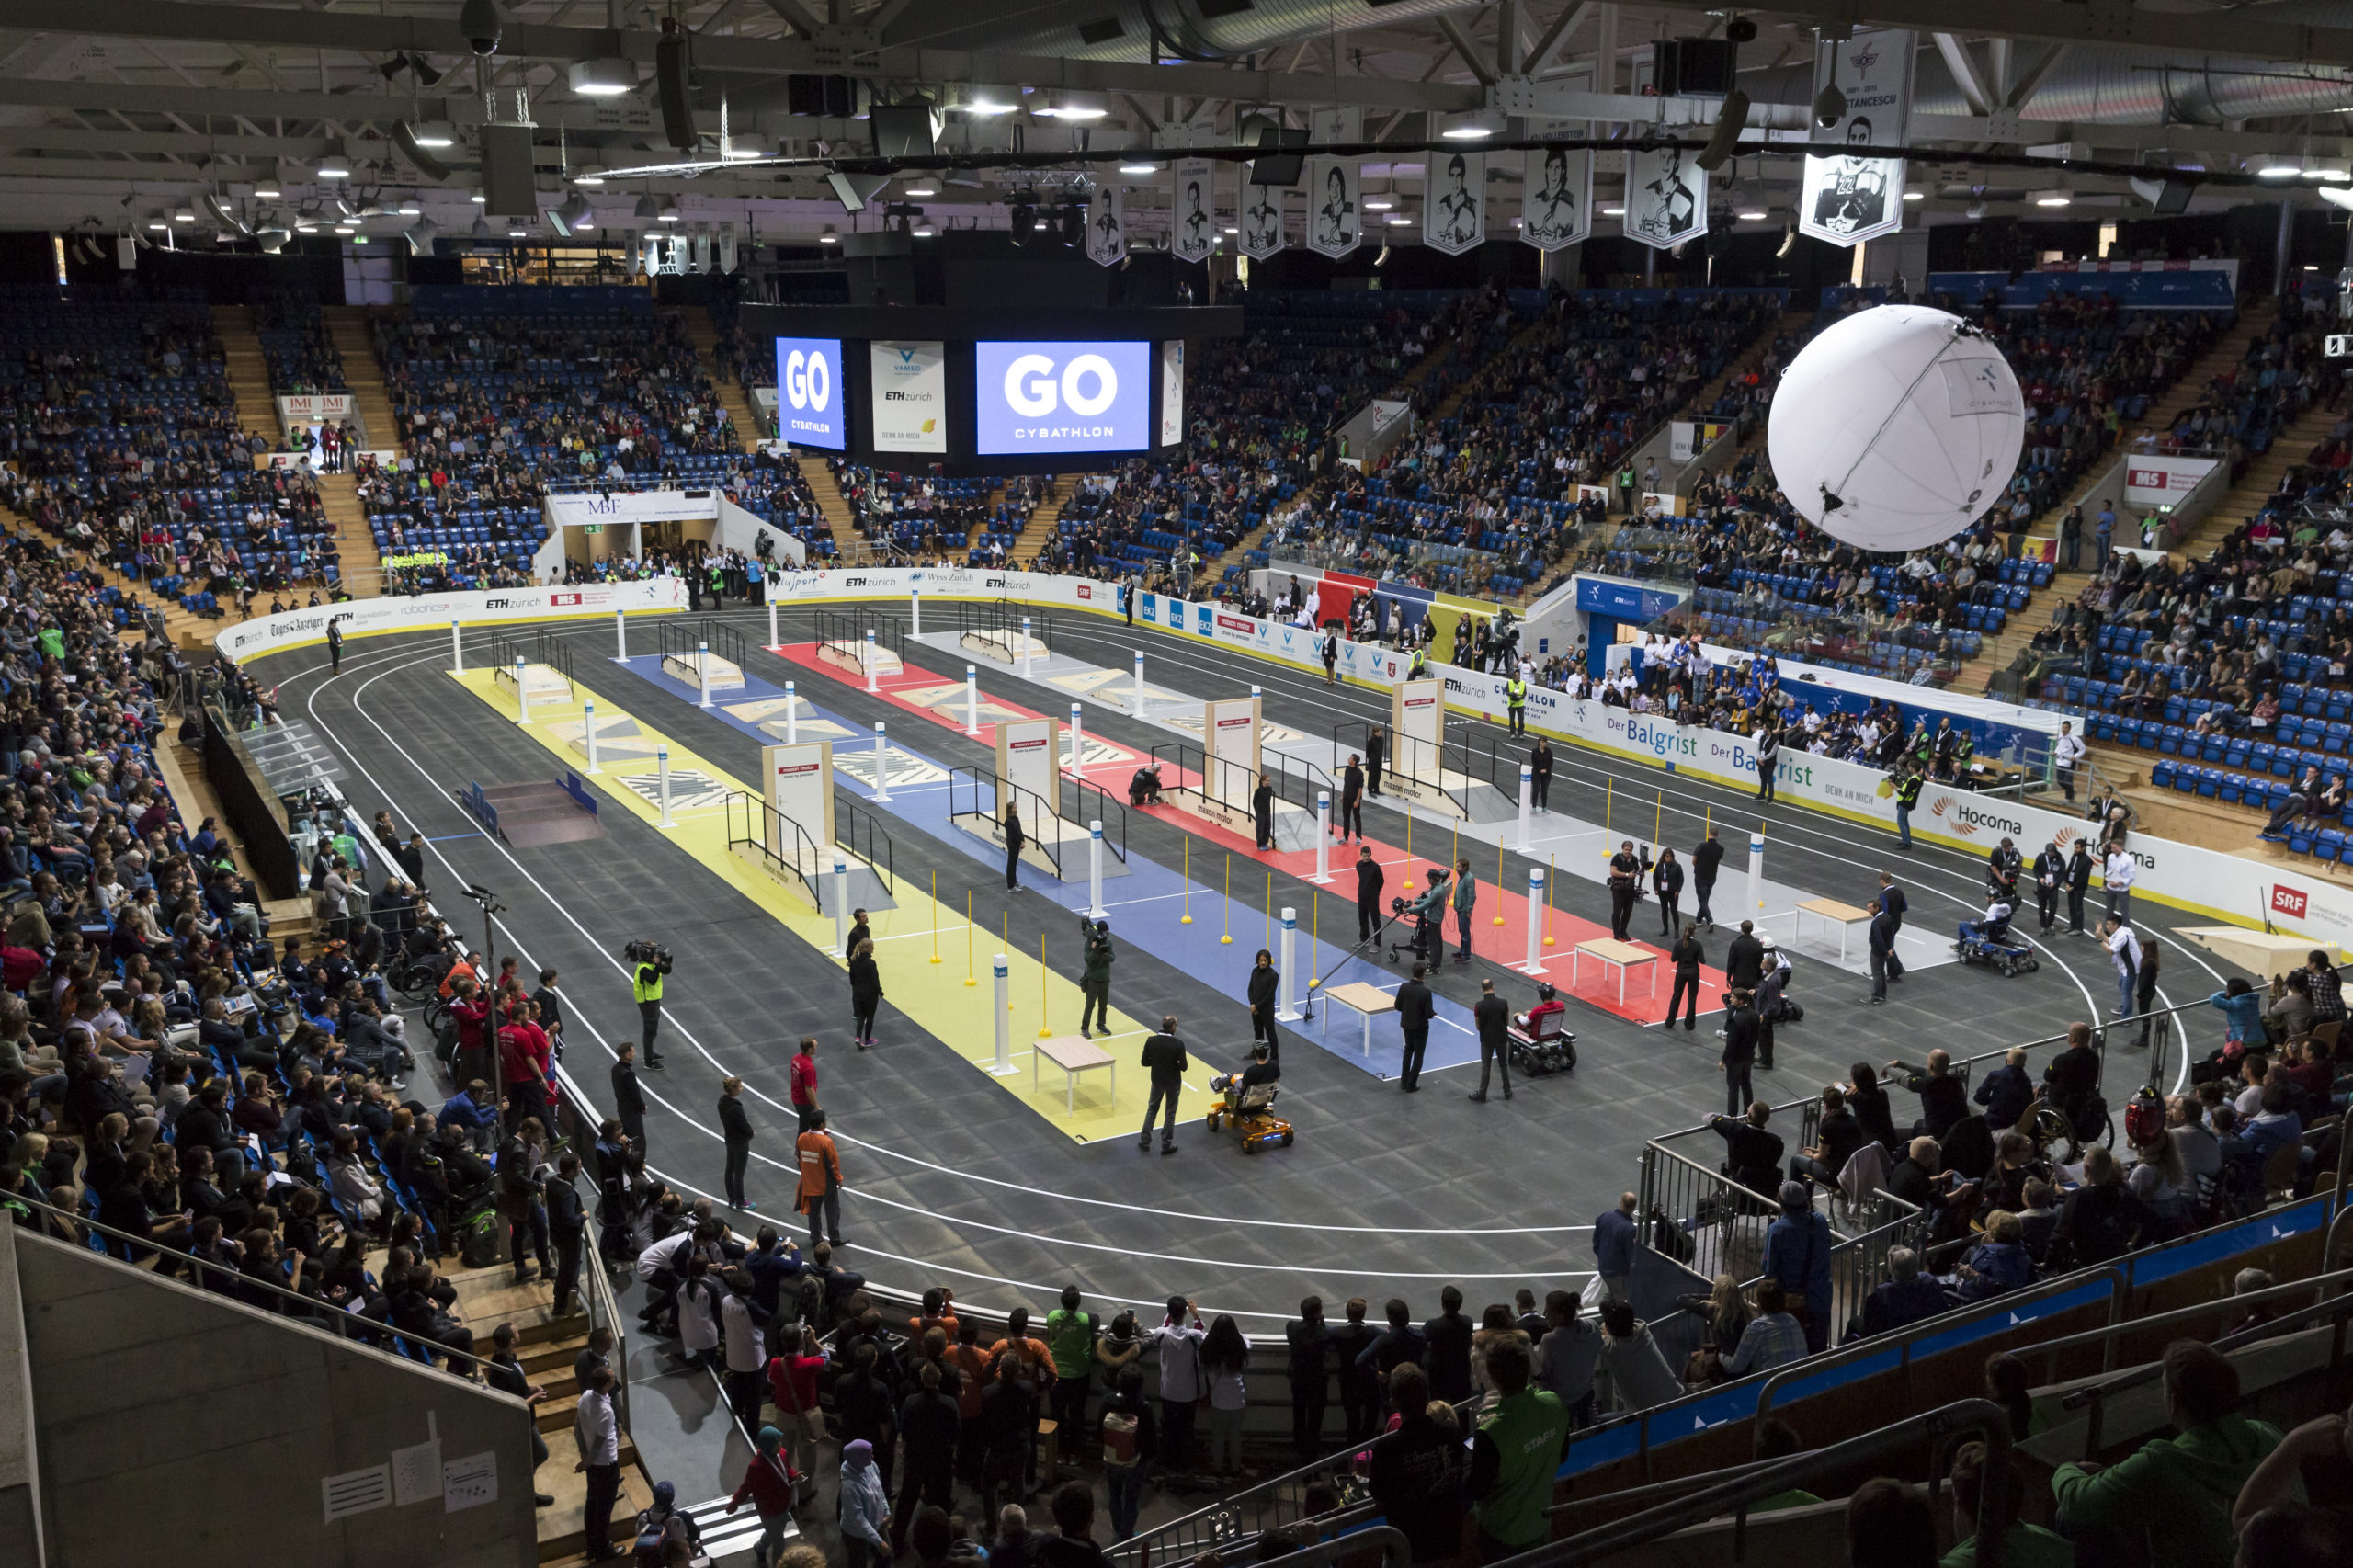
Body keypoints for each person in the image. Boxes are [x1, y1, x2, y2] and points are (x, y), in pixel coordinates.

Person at [2052, 1341, 2283, 1568]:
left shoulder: (2163, 1462)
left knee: (2068, 1516)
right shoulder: (2268, 1436)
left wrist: (2067, 1468)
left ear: (2174, 1402)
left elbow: (2077, 1501)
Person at [1369, 1362, 1465, 1564]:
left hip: (1406, 1547)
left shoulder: (1386, 1448)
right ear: (1428, 1396)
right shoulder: (1450, 1433)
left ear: (1393, 1403)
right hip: (1445, 1542)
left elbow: (1378, 1492)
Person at [1766, 1180, 1834, 1354]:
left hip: (1792, 1304)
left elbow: (1768, 1268)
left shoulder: (1777, 1230)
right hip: (1820, 1298)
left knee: (1793, 1353)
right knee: (1817, 1350)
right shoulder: (1819, 1221)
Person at [725, 1426, 804, 1568]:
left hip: (783, 1504)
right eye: (777, 1443)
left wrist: (793, 1475)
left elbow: (787, 1470)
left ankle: (760, 1547)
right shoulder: (756, 1467)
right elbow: (746, 1487)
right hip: (768, 1511)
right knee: (779, 1544)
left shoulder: (782, 1453)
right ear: (768, 1445)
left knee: (775, 1533)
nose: (780, 1445)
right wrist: (735, 1502)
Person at [1596, 1301, 1682, 1413]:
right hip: (1677, 1398)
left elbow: (1594, 1334)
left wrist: (1604, 1328)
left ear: (1610, 1329)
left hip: (1650, 1414)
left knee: (1602, 1420)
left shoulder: (1613, 1348)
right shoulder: (1643, 1331)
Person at [575, 1365, 622, 1561]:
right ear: (606, 1385)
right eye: (612, 1379)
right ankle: (603, 1549)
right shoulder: (606, 1411)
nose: (614, 1380)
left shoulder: (585, 1397)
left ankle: (591, 1547)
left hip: (593, 1464)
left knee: (592, 1502)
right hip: (605, 1464)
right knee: (604, 1508)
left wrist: (584, 1456)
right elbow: (599, 1445)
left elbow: (577, 1429)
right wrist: (587, 1462)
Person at [1859, 1246, 1951, 1338]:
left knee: (1854, 1322)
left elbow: (1869, 1325)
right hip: (1931, 1334)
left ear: (1893, 1270)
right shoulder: (1929, 1280)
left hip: (1895, 1341)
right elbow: (1943, 1308)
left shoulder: (1883, 1292)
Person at [1725, 1278, 1807, 1377]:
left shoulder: (1756, 1327)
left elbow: (1736, 1366)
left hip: (1772, 1389)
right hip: (1800, 1384)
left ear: (1760, 1304)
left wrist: (1719, 1356)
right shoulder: (1793, 1320)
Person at [1284, 1296, 1331, 1458]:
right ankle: (1312, 1453)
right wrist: (1321, 1323)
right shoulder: (1322, 1334)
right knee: (1315, 1421)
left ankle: (1300, 1449)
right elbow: (1323, 1337)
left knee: (1299, 1415)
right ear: (1318, 1314)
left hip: (1298, 1379)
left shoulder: (1292, 1328)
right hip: (1317, 1381)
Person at [1711, 1101, 1785, 1198]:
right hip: (1764, 1188)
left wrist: (1728, 1119)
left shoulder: (1736, 1130)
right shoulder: (1777, 1143)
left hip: (1738, 1187)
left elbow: (1708, 1117)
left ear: (1748, 1115)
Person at [839, 1438, 892, 1568]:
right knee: (858, 1563)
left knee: (887, 1557)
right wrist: (878, 1542)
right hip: (856, 1534)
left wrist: (885, 1513)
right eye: (869, 1455)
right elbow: (859, 1520)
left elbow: (879, 1491)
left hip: (876, 1522)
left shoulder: (872, 1466)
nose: (873, 1457)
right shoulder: (849, 1487)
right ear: (859, 1459)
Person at [795, 1109, 843, 1249]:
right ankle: (834, 1238)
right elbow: (833, 1163)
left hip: (809, 1181)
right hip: (825, 1182)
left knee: (813, 1212)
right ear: (822, 1124)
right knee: (832, 1209)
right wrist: (838, 1179)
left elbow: (798, 1156)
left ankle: (816, 1238)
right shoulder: (826, 1142)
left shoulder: (802, 1138)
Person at [1470, 976, 1512, 1103]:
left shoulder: (1478, 1006)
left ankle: (1482, 1094)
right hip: (1501, 1037)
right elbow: (1507, 1021)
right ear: (1493, 988)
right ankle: (1508, 1091)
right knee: (1504, 1064)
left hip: (1487, 1039)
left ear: (1482, 989)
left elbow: (1478, 1026)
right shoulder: (1504, 1003)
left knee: (1486, 1066)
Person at [1394, 963, 1435, 1092]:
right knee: (1418, 1055)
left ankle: (1404, 1080)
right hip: (1420, 1028)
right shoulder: (1425, 991)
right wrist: (1432, 1014)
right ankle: (1411, 1084)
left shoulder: (1404, 987)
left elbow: (1398, 1006)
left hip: (1406, 1024)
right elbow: (1428, 1014)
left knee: (1408, 1051)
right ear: (1423, 974)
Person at [720, 1075, 757, 1211]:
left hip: (729, 1139)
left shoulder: (722, 1103)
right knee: (739, 1172)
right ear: (734, 1089)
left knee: (729, 1168)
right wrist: (751, 1133)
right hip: (740, 1141)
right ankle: (741, 1201)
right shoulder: (736, 1108)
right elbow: (743, 1124)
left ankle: (732, 1198)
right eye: (740, 1086)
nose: (742, 1088)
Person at [631, 942, 670, 1070]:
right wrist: (658, 965)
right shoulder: (644, 969)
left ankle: (650, 1052)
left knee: (652, 1030)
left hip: (652, 1000)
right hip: (647, 1002)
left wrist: (662, 963)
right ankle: (649, 1061)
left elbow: (666, 971)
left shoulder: (649, 965)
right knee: (649, 1030)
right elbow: (652, 980)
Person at [1720, 989, 1759, 1116]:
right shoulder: (1754, 1015)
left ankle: (1732, 1115)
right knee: (1746, 1085)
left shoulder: (1737, 1020)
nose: (1730, 999)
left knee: (1733, 1088)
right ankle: (1749, 1112)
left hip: (1736, 1059)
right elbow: (1756, 1036)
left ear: (1741, 1001)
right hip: (1748, 1056)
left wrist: (1723, 1060)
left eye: (1733, 998)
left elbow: (1731, 1043)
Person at [1593, 1192, 1637, 1303]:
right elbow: (1631, 1254)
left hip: (1604, 1267)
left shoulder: (1604, 1217)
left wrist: (1601, 1258)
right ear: (1633, 1208)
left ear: (1621, 1202)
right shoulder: (1629, 1229)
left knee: (1614, 1290)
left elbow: (1596, 1242)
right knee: (1621, 1299)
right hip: (1619, 1272)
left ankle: (1604, 1307)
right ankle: (1609, 1314)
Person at [1665, 922, 1704, 1031]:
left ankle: (1670, 1021)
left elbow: (1673, 959)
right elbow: (1702, 960)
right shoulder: (1697, 944)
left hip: (1681, 973)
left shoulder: (1678, 943)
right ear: (1694, 932)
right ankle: (1689, 1024)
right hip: (1693, 973)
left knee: (1676, 996)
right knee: (1692, 999)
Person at [1079, 918, 1113, 1040]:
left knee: (1103, 1004)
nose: (1107, 934)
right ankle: (1084, 1028)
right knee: (1090, 1005)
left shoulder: (1108, 943)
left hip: (1105, 979)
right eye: (1106, 932)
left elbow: (1112, 958)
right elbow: (1088, 960)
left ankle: (1101, 1025)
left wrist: (1106, 954)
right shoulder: (1089, 944)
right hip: (1093, 979)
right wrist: (1094, 950)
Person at [848, 937, 883, 1051]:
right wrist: (880, 991)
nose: (873, 949)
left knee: (861, 1015)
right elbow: (875, 980)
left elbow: (852, 978)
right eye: (872, 947)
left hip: (858, 993)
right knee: (870, 1016)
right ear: (867, 949)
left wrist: (856, 987)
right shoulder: (871, 963)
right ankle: (867, 1040)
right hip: (870, 995)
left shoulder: (853, 962)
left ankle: (858, 1037)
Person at [1607, 839, 1641, 942]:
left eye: (1629, 850)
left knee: (1627, 912)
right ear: (1622, 849)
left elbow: (1637, 870)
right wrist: (1627, 875)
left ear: (1632, 850)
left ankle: (1623, 931)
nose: (1627, 852)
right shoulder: (1617, 858)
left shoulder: (1634, 859)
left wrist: (1641, 874)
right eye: (1626, 849)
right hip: (1618, 889)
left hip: (1630, 889)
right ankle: (1616, 933)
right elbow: (1613, 871)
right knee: (1617, 912)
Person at [1247, 949, 1279, 1048]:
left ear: (1269, 961)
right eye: (1261, 960)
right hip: (1255, 1008)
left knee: (1270, 1033)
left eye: (1265, 960)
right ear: (1257, 961)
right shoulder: (1254, 971)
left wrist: (1256, 1007)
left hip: (1267, 1010)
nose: (1263, 962)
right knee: (1258, 1031)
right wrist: (1252, 1004)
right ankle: (1258, 1054)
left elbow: (1269, 996)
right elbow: (1250, 989)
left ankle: (1274, 1058)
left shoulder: (1274, 975)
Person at [1692, 829, 1723, 929]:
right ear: (1717, 835)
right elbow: (1717, 862)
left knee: (1702, 900)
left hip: (1700, 876)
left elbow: (1694, 860)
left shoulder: (1702, 846)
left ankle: (1710, 920)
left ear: (1708, 834)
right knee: (1705, 898)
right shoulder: (1720, 849)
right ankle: (1699, 919)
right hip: (1712, 876)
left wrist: (1698, 868)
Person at [1355, 845, 1385, 944]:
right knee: (1362, 919)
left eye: (1368, 855)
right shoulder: (1358, 865)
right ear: (1361, 855)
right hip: (1362, 896)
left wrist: (1375, 892)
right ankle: (1364, 940)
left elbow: (1381, 881)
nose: (1366, 858)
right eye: (1364, 856)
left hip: (1372, 898)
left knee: (1375, 921)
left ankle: (1377, 943)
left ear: (1371, 854)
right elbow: (1361, 878)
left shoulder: (1375, 867)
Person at [790, 1037, 820, 1132]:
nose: (817, 1047)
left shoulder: (796, 1058)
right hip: (804, 1102)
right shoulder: (808, 1067)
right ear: (810, 1049)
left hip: (796, 1096)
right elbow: (809, 1089)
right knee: (804, 1129)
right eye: (815, 1046)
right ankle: (800, 1147)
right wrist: (816, 1107)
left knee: (804, 1126)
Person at [2066, 837, 2097, 934]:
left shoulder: (2087, 861)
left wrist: (2073, 886)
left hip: (2079, 888)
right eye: (2075, 847)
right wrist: (2067, 883)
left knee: (2077, 907)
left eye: (2078, 848)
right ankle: (2072, 926)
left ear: (2083, 848)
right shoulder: (2074, 856)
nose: (2076, 849)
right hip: (2070, 885)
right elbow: (2069, 869)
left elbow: (2084, 878)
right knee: (2071, 906)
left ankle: (2079, 928)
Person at [1869, 897, 1895, 1004]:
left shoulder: (1876, 923)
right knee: (1881, 972)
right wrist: (1889, 949)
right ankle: (1883, 995)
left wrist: (1885, 950)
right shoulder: (1887, 918)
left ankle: (1876, 995)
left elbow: (1878, 939)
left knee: (1876, 974)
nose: (1868, 910)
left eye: (1870, 908)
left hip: (1877, 951)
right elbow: (1891, 935)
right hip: (1885, 950)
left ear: (1876, 908)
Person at [1653, 848, 1683, 939]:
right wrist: (1656, 888)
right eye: (1666, 856)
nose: (1668, 858)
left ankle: (1676, 930)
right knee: (1664, 910)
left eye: (1670, 856)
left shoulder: (1677, 866)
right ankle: (1665, 929)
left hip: (1673, 893)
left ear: (1672, 857)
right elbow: (1655, 877)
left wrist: (1678, 890)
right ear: (1664, 857)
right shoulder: (1659, 866)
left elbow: (1681, 879)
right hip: (1662, 892)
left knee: (1674, 911)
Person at [1893, 767, 1923, 851]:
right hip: (1907, 802)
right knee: (1905, 822)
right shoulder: (1916, 780)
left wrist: (1895, 787)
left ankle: (1906, 843)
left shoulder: (1913, 780)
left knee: (1901, 822)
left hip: (1905, 802)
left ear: (1913, 769)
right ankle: (1907, 841)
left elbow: (1905, 793)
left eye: (1910, 767)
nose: (1908, 768)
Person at [1340, 754, 1366, 843]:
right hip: (1346, 798)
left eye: (1350, 758)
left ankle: (1358, 837)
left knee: (1356, 818)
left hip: (1354, 799)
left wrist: (1357, 800)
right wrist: (1342, 795)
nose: (1348, 759)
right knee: (1346, 818)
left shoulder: (1359, 773)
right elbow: (1345, 783)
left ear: (1354, 761)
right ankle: (1345, 837)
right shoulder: (1347, 770)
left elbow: (1360, 788)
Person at [1756, 722, 1780, 802]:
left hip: (1769, 762)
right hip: (1761, 761)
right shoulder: (1762, 737)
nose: (1763, 729)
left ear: (1768, 729)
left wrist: (1763, 759)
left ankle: (1770, 797)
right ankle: (1762, 794)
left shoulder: (1775, 740)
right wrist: (1759, 758)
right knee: (1762, 778)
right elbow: (1758, 748)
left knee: (1770, 780)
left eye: (1764, 728)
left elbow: (1772, 753)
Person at [1004, 803, 1027, 892]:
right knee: (1011, 865)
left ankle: (1014, 881)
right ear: (1010, 809)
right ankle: (1010, 886)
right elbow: (1012, 835)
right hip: (1012, 845)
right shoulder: (1008, 821)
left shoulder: (1016, 818)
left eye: (1016, 807)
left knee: (1014, 864)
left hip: (1017, 844)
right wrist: (1019, 843)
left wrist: (1023, 840)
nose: (1016, 809)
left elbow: (1019, 830)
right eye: (1014, 807)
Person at [1252, 773, 1275, 852]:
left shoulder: (1270, 789)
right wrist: (1257, 810)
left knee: (1267, 828)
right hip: (1260, 812)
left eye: (1269, 781)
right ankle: (1260, 844)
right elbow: (1254, 802)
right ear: (1262, 781)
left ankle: (1265, 843)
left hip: (1267, 812)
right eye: (1267, 781)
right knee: (1260, 828)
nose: (1268, 782)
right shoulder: (1258, 791)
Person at [1530, 737, 1553, 812]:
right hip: (1537, 774)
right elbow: (1534, 762)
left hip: (1546, 775)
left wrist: (1546, 769)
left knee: (1544, 791)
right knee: (1536, 790)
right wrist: (1540, 769)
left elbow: (1551, 762)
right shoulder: (1534, 751)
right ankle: (1534, 807)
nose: (1545, 743)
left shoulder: (1549, 751)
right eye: (1543, 742)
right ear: (1539, 742)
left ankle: (1544, 807)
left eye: (1546, 742)